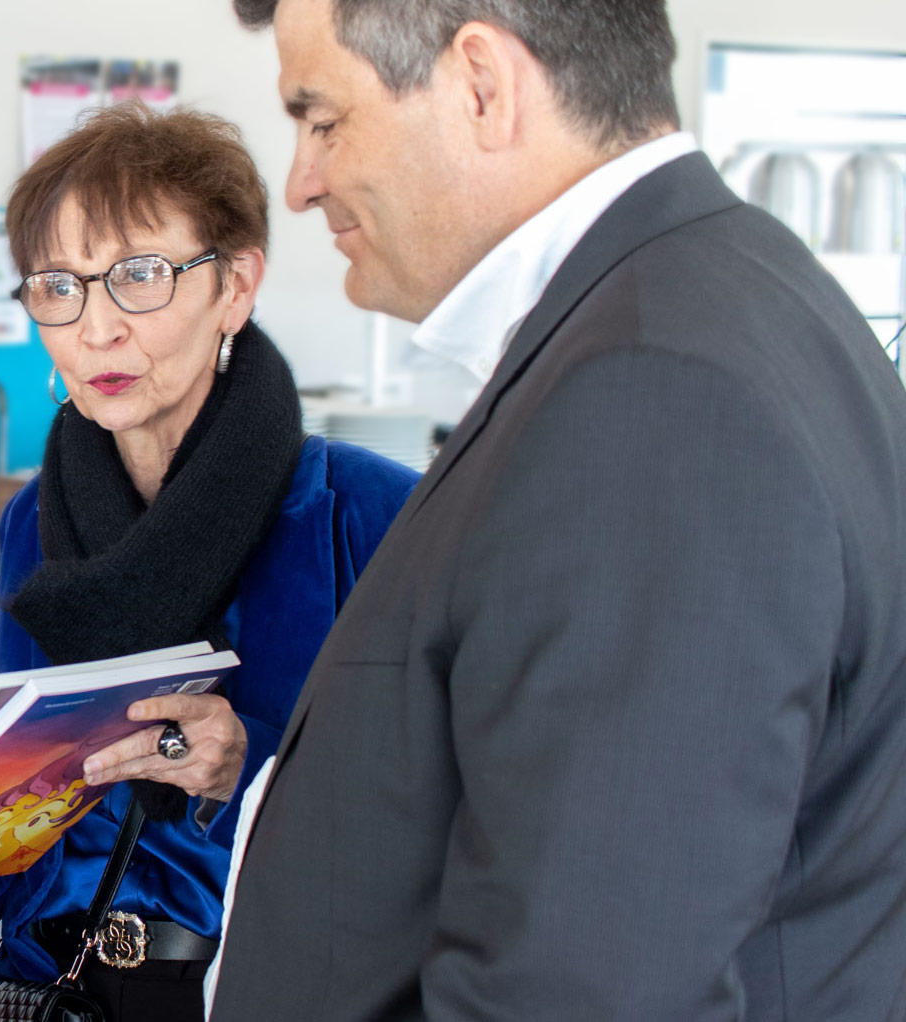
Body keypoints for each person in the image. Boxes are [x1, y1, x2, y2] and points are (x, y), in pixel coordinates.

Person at [210, 1, 906, 1019]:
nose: (302, 182)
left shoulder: (652, 392)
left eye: (323, 119)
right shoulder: (715, 292)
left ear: (483, 85)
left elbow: (587, 986)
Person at [0, 103, 420, 1022]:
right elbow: (41, 804)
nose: (96, 328)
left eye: (140, 277)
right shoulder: (39, 517)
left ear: (235, 286)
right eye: (59, 286)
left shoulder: (371, 513)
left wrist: (249, 766)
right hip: (55, 985)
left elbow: (440, 808)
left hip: (262, 988)